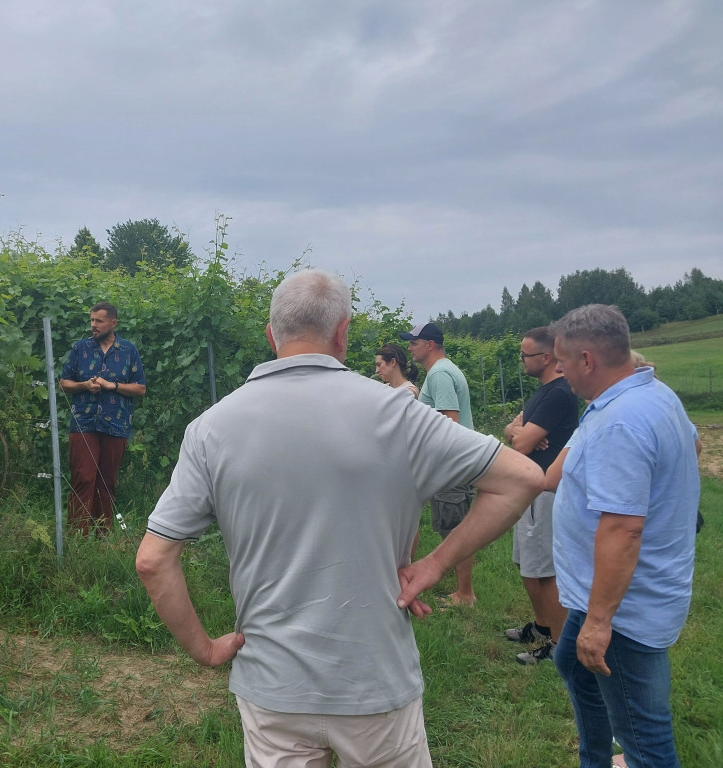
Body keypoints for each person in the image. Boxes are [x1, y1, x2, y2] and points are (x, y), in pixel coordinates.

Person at [136, 270, 543, 768]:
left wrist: (203, 649)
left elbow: (154, 560)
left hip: (272, 686)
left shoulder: (211, 428)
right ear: (343, 333)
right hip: (375, 683)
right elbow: (522, 477)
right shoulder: (398, 413)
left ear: (272, 334)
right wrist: (432, 567)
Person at [549, 304, 700, 768]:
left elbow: (623, 527)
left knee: (644, 734)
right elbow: (693, 444)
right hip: (609, 593)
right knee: (571, 665)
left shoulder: (621, 421)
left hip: (623, 608)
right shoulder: (653, 394)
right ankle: (596, 759)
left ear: (588, 360)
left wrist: (599, 622)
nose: (560, 370)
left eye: (564, 361)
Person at [502, 326, 579, 665]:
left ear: (546, 357)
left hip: (547, 489)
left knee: (544, 570)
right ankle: (544, 626)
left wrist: (522, 435)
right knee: (528, 564)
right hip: (532, 487)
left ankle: (560, 645)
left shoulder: (559, 394)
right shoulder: (543, 392)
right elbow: (513, 431)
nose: (522, 361)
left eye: (526, 355)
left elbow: (518, 442)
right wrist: (523, 432)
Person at [399, 322, 479, 606]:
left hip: (452, 463)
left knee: (456, 528)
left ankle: (465, 593)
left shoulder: (440, 374)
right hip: (453, 461)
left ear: (429, 345)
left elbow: (450, 421)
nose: (410, 348)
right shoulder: (443, 370)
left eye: (413, 343)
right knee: (453, 526)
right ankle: (462, 589)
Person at [60, 301, 146, 535]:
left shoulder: (128, 351)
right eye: (91, 320)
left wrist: (112, 385)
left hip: (116, 422)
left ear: (113, 323)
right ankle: (78, 535)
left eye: (99, 321)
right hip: (84, 422)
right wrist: (84, 385)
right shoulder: (81, 348)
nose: (93, 325)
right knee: (83, 477)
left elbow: (140, 388)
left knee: (107, 481)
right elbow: (64, 383)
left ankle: (102, 533)